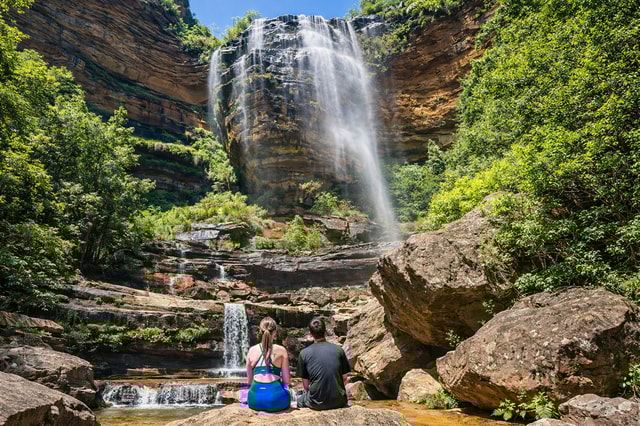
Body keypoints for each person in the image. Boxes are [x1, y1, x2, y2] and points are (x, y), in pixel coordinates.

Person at [297, 317, 351, 410]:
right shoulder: (339, 350)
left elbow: (306, 386)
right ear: (325, 332)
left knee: (299, 401)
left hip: (316, 402)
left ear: (310, 334)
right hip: (339, 401)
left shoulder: (304, 353)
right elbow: (345, 378)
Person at [246, 317, 291, 412]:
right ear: (275, 332)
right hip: (276, 401)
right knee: (287, 393)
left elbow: (249, 382)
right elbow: (286, 381)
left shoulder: (251, 350)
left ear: (260, 331)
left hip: (255, 401)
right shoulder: (282, 350)